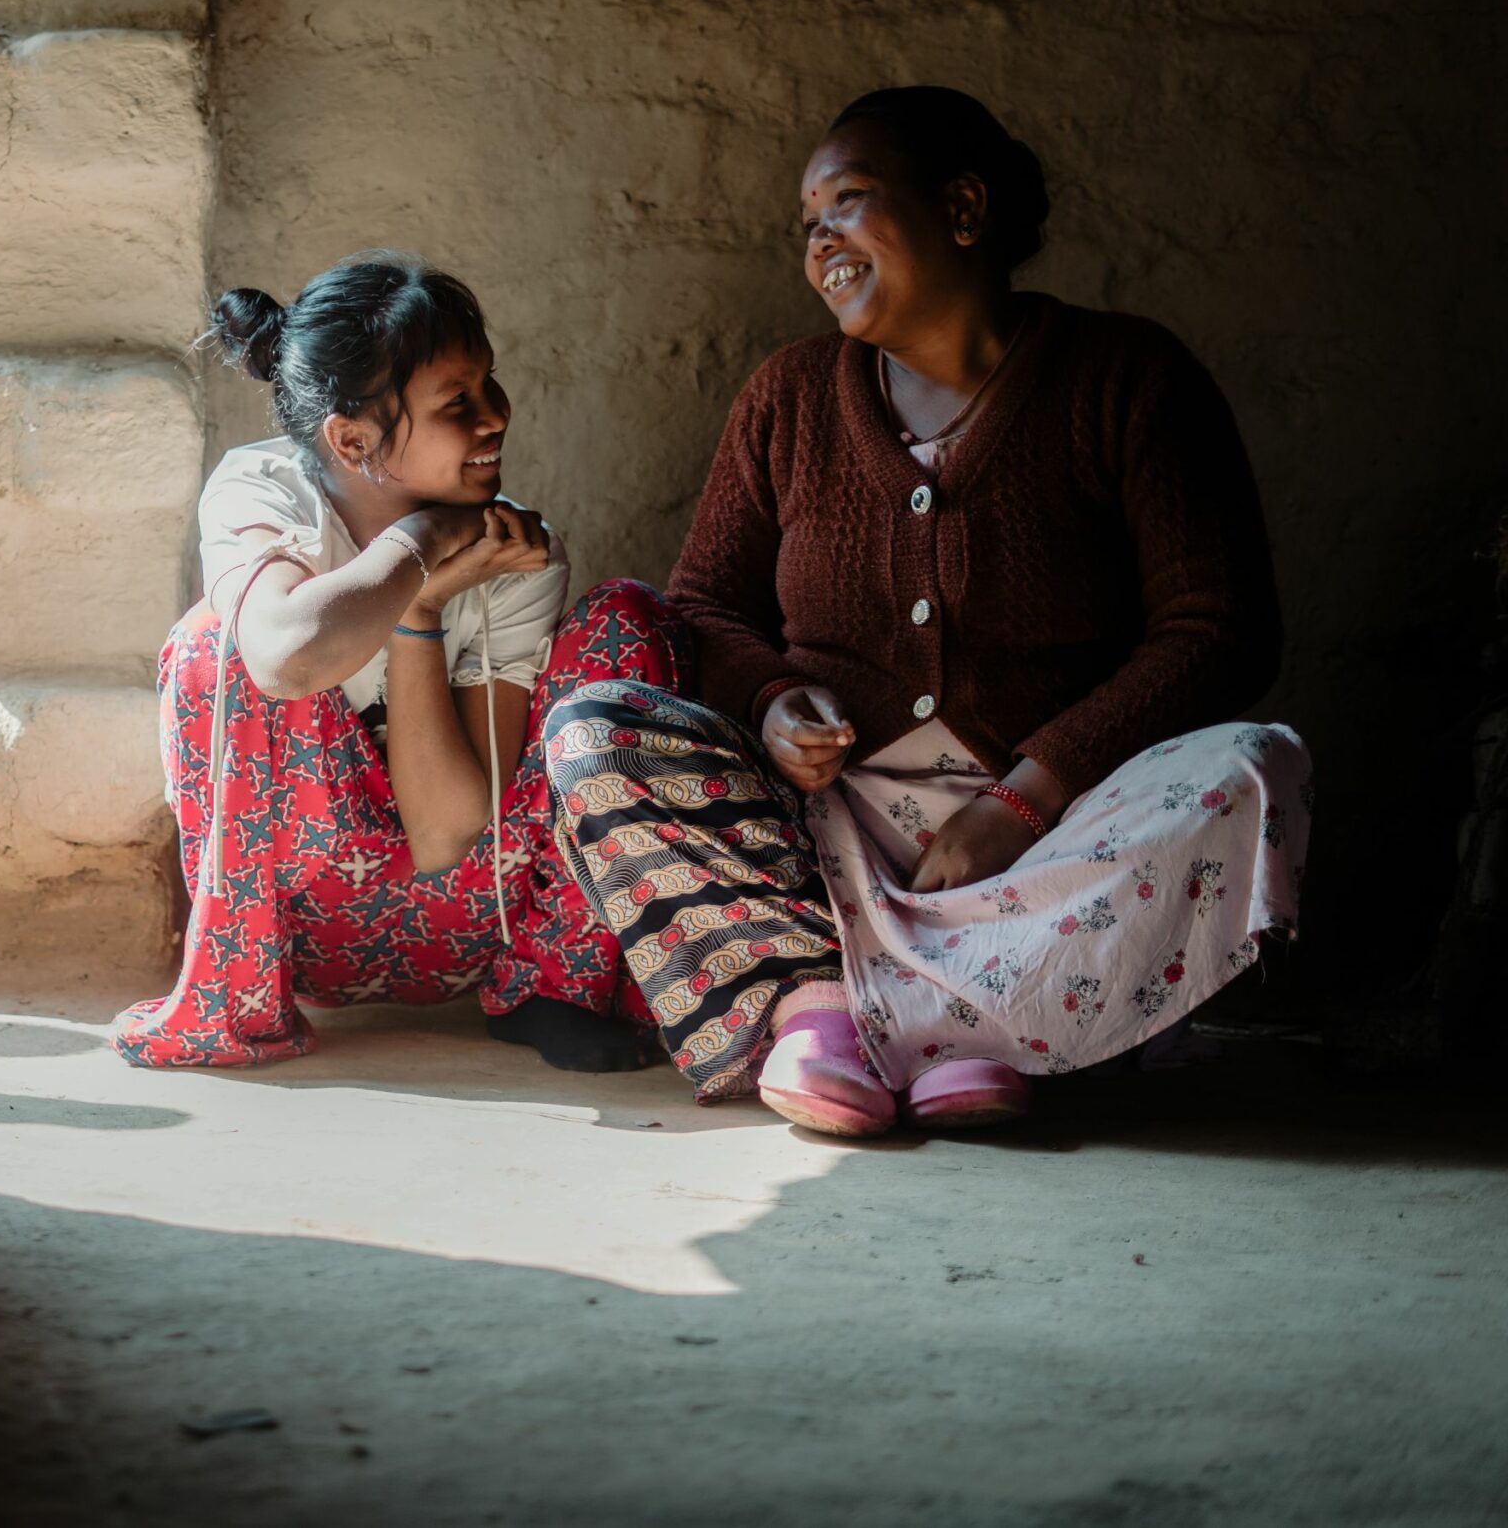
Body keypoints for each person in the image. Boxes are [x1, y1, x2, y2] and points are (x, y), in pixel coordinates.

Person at [544, 87, 1312, 1132]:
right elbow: (703, 610)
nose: (819, 242)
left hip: (1056, 838)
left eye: (848, 203)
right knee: (595, 732)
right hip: (830, 837)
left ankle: (975, 1026)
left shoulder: (1127, 379)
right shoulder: (788, 397)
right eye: (807, 223)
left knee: (1250, 765)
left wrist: (1026, 798)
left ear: (960, 209)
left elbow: (1217, 630)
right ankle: (819, 1003)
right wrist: (771, 701)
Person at [113, 252, 695, 1073]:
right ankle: (239, 1003)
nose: (496, 415)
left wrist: (418, 619)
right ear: (351, 439)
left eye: (489, 385)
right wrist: (417, 549)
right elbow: (284, 655)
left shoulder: (512, 551)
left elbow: (448, 832)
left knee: (626, 623)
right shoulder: (265, 492)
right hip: (305, 932)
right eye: (458, 402)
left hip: (475, 921)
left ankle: (554, 988)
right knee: (216, 645)